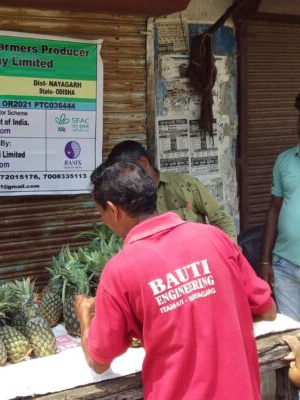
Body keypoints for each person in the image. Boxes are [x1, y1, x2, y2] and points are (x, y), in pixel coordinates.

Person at [75, 161, 276, 399]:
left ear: (113, 210)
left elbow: (98, 361)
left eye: (101, 213)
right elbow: (268, 311)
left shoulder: (120, 270)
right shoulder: (215, 238)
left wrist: (85, 317)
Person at [105, 140, 237, 241]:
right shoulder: (128, 200)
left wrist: (230, 255)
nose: (124, 179)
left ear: (144, 162)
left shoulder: (185, 184)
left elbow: (221, 219)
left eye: (129, 171)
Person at [260, 94, 300, 322]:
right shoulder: (284, 160)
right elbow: (274, 209)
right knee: (291, 336)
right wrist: (265, 260)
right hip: (284, 265)